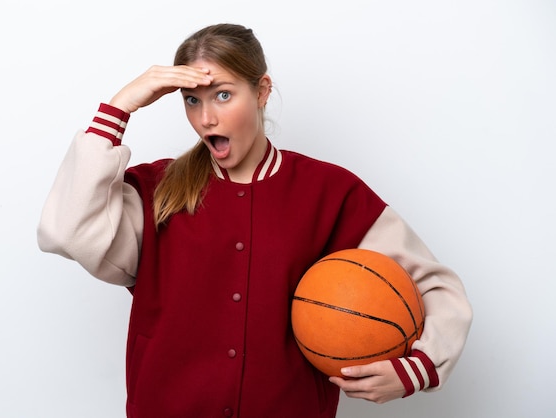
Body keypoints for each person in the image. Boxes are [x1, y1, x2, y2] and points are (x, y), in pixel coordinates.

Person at [37, 23, 472, 418]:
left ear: (262, 91)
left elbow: (434, 286)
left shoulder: (329, 191)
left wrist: (419, 368)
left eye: (223, 95)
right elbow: (66, 229)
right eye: (192, 100)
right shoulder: (156, 189)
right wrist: (118, 109)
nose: (206, 118)